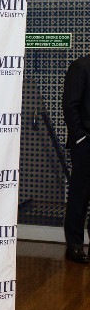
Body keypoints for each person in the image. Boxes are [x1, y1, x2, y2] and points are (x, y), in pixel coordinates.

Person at [63, 54, 90, 264]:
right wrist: (80, 137)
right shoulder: (81, 66)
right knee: (79, 196)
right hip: (85, 143)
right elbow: (69, 104)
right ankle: (74, 246)